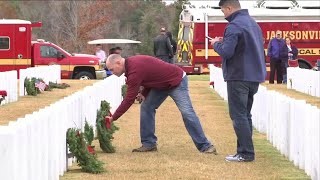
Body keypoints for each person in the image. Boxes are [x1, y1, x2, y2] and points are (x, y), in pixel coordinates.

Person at [105, 54, 217, 154]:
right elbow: (150, 76)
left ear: (118, 62)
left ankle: (206, 146)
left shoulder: (134, 69)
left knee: (187, 112)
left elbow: (129, 99)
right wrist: (144, 93)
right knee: (146, 107)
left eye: (112, 69)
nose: (112, 73)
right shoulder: (132, 65)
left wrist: (113, 118)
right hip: (161, 85)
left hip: (176, 81)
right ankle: (149, 144)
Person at [209, 0, 266, 162]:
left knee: (238, 115)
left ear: (229, 7)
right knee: (246, 114)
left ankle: (246, 153)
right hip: (253, 75)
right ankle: (244, 151)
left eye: (223, 11)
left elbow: (227, 52)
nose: (223, 14)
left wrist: (215, 44)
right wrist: (224, 42)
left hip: (238, 75)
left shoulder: (234, 26)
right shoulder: (253, 24)